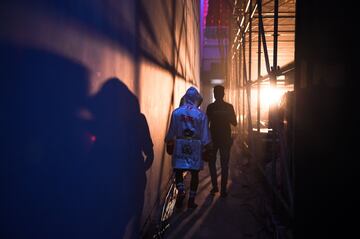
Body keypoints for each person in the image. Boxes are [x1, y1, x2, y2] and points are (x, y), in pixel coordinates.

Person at [165, 87, 211, 209]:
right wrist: (207, 148)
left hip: (180, 144)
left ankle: (181, 190)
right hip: (195, 146)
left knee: (178, 170)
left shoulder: (176, 113)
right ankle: (191, 200)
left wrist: (169, 143)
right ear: (197, 99)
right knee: (195, 174)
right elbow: (205, 135)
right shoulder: (201, 115)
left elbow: (171, 131)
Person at [206, 85, 237, 197]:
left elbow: (206, 125)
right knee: (224, 164)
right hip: (225, 139)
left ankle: (215, 187)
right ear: (223, 94)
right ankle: (223, 190)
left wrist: (206, 141)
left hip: (213, 139)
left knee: (211, 163)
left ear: (214, 94)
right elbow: (235, 123)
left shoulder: (210, 107)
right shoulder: (229, 107)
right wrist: (226, 116)